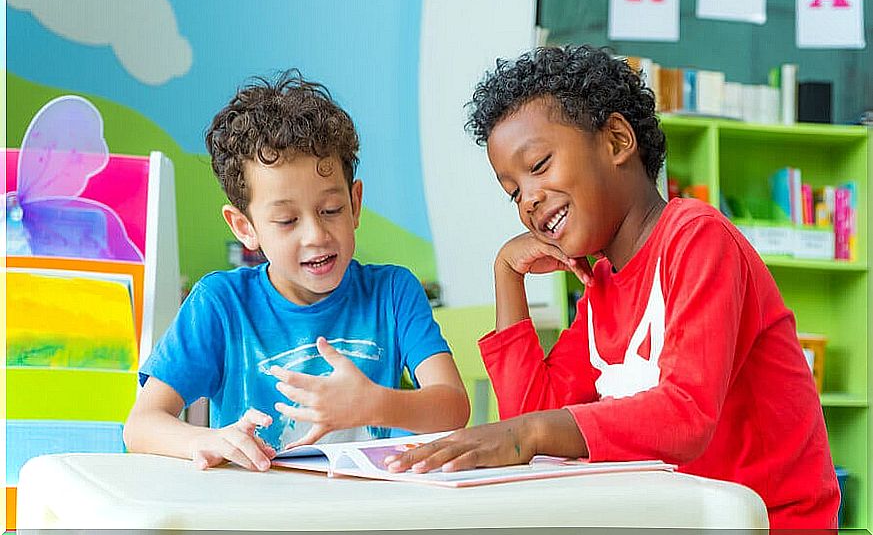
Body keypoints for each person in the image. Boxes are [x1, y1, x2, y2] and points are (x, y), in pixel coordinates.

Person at [384, 45, 839, 529]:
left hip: (769, 523)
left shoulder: (698, 237)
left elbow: (686, 414)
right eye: (513, 192)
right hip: (676, 517)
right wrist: (506, 275)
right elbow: (533, 416)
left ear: (618, 140)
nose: (529, 200)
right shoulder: (601, 285)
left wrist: (530, 433)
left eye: (538, 165)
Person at [124, 70, 470, 471]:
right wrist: (210, 439)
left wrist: (373, 403)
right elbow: (141, 425)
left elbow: (453, 407)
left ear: (355, 204)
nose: (316, 235)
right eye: (287, 220)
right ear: (245, 227)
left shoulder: (393, 292)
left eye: (331, 210)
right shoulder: (219, 304)